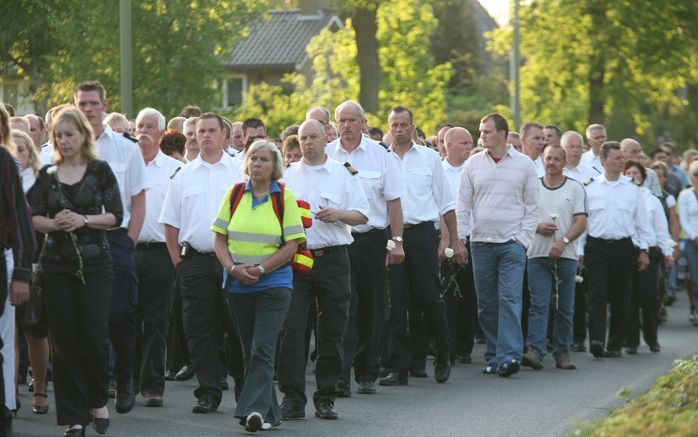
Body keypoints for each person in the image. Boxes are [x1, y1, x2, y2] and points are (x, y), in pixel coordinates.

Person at [27, 107, 123, 436]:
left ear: (83, 135)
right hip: (57, 265)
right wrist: (53, 224)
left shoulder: (100, 171)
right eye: (58, 136)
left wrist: (84, 220)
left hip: (96, 264)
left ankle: (97, 399)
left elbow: (116, 216)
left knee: (94, 337)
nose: (64, 141)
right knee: (64, 343)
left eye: (70, 134)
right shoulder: (48, 174)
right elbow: (32, 215)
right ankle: (74, 416)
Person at [210, 139, 305, 432]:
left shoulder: (284, 197)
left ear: (274, 165)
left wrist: (262, 269)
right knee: (251, 352)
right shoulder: (235, 193)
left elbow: (293, 245)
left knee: (263, 348)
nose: (257, 164)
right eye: (253, 159)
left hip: (274, 284)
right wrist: (232, 268)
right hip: (238, 285)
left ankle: (251, 411)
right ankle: (270, 414)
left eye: (264, 159)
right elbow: (219, 239)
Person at [277, 120, 368, 421]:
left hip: (333, 259)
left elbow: (362, 214)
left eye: (314, 137)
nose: (308, 143)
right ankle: (292, 398)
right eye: (303, 138)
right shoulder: (287, 176)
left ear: (324, 140)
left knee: (332, 330)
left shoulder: (343, 173)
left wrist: (339, 213)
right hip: (298, 259)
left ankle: (326, 397)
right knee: (292, 329)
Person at [159, 112, 244, 414]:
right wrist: (176, 261)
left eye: (211, 130)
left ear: (224, 134)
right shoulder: (183, 175)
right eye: (199, 131)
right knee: (199, 329)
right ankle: (208, 392)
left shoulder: (240, 171)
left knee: (236, 327)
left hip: (234, 261)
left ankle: (245, 388)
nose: (204, 136)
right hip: (195, 261)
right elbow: (170, 223)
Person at [75, 81, 148, 415]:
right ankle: (95, 386)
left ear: (104, 105)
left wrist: (129, 242)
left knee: (119, 316)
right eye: (82, 104)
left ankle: (125, 379)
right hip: (76, 242)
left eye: (93, 103)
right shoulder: (63, 147)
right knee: (86, 320)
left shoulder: (126, 148)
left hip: (117, 241)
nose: (88, 109)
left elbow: (138, 199)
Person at [380, 106, 464, 387]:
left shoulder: (429, 159)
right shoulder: (382, 158)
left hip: (422, 234)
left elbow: (447, 202)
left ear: (413, 127)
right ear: (389, 127)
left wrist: (453, 239)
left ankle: (442, 354)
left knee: (429, 297)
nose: (400, 129)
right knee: (396, 303)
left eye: (405, 124)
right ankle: (398, 367)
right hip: (392, 235)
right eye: (395, 125)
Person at [326, 101, 406, 396]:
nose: (346, 126)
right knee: (342, 307)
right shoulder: (327, 155)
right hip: (338, 239)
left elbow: (394, 201)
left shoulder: (381, 155)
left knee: (372, 307)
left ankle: (367, 371)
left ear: (363, 122)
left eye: (351, 120)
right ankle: (340, 375)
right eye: (341, 121)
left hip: (371, 239)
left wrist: (397, 242)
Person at [457, 112, 539, 377]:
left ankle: (509, 356)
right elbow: (463, 205)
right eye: (481, 132)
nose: (481, 136)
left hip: (511, 244)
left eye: (486, 132)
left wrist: (522, 241)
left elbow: (532, 207)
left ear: (502, 134)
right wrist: (461, 237)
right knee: (487, 303)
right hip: (481, 243)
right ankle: (493, 354)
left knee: (510, 299)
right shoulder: (472, 164)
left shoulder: (525, 164)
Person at [580, 142, 652, 358]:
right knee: (597, 294)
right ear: (604, 162)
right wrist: (580, 250)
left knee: (622, 298)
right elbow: (584, 221)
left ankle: (614, 343)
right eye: (618, 158)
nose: (623, 161)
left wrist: (644, 250)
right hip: (597, 247)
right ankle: (596, 340)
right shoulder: (590, 187)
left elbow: (642, 223)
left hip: (623, 247)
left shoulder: (632, 188)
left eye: (622, 157)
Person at [522, 145, 587, 371]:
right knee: (539, 305)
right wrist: (538, 227)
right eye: (548, 158)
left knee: (564, 306)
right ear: (542, 159)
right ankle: (536, 351)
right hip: (537, 254)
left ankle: (562, 352)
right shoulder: (532, 187)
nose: (552, 163)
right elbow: (522, 216)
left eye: (557, 159)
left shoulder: (575, 188)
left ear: (564, 161)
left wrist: (563, 242)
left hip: (566, 256)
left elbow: (581, 222)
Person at [133, 108, 182, 407]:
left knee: (156, 321)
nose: (144, 130)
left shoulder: (174, 169)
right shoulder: (125, 166)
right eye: (140, 125)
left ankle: (152, 386)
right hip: (128, 251)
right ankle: (127, 380)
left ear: (162, 133)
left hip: (161, 254)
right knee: (124, 318)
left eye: (151, 126)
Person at [0, 102, 36, 437]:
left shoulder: (4, 163)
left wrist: (22, 272)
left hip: (3, 260)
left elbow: (20, 221)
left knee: (3, 340)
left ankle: (6, 409)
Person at [623, 161, 673, 352]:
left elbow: (661, 230)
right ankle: (631, 341)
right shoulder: (621, 198)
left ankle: (652, 338)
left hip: (650, 252)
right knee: (630, 298)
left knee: (649, 296)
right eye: (628, 173)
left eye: (636, 173)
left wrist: (667, 253)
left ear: (642, 177)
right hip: (628, 251)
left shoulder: (652, 200)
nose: (632, 176)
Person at [441, 127, 478, 363]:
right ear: (449, 145)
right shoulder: (438, 171)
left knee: (468, 295)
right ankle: (445, 345)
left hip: (472, 238)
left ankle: (465, 345)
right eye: (464, 143)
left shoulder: (474, 170)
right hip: (443, 239)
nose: (469, 147)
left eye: (470, 143)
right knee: (445, 296)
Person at [676, 160, 698, 325]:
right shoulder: (685, 195)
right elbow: (683, 219)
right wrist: (694, 236)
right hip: (692, 241)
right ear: (690, 177)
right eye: (695, 175)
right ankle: (694, 306)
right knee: (694, 276)